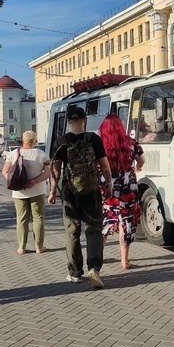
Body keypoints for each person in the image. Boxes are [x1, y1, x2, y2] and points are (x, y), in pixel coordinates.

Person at [49, 106, 113, 288]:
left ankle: (75, 272)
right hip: (92, 192)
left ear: (69, 121)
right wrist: (108, 186)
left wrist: (53, 192)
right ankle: (94, 268)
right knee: (93, 230)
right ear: (85, 120)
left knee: (72, 232)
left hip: (70, 194)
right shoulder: (94, 139)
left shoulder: (61, 141)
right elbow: (105, 167)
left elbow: (55, 171)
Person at [98, 114, 145, 270]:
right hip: (127, 189)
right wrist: (136, 168)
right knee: (126, 222)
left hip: (108, 190)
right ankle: (124, 261)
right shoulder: (131, 143)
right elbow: (141, 160)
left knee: (106, 222)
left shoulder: (100, 145)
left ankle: (97, 259)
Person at [2, 130, 51, 254]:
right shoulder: (41, 154)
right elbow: (47, 173)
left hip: (19, 192)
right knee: (38, 218)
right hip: (37, 190)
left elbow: (5, 172)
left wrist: (16, 183)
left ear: (22, 140)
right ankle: (39, 246)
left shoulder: (14, 154)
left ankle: (21, 247)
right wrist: (34, 181)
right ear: (34, 140)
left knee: (22, 219)